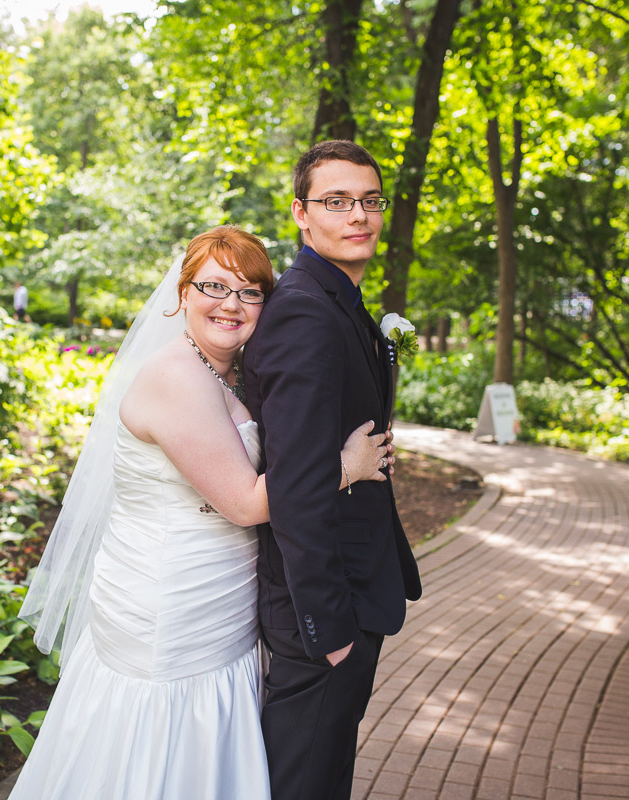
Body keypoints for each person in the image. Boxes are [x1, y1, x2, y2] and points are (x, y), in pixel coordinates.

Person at [11, 225, 394, 799]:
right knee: (159, 745)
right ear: (183, 293)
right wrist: (345, 464)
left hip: (220, 591)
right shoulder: (175, 377)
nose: (230, 305)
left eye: (250, 292)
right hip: (171, 597)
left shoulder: (231, 371)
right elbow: (243, 501)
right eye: (214, 286)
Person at [241, 140, 423, 800]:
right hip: (323, 609)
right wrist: (327, 630)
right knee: (302, 784)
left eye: (370, 201)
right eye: (337, 201)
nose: (359, 215)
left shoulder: (339, 303)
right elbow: (293, 485)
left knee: (324, 777)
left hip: (351, 593)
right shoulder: (304, 312)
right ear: (301, 214)